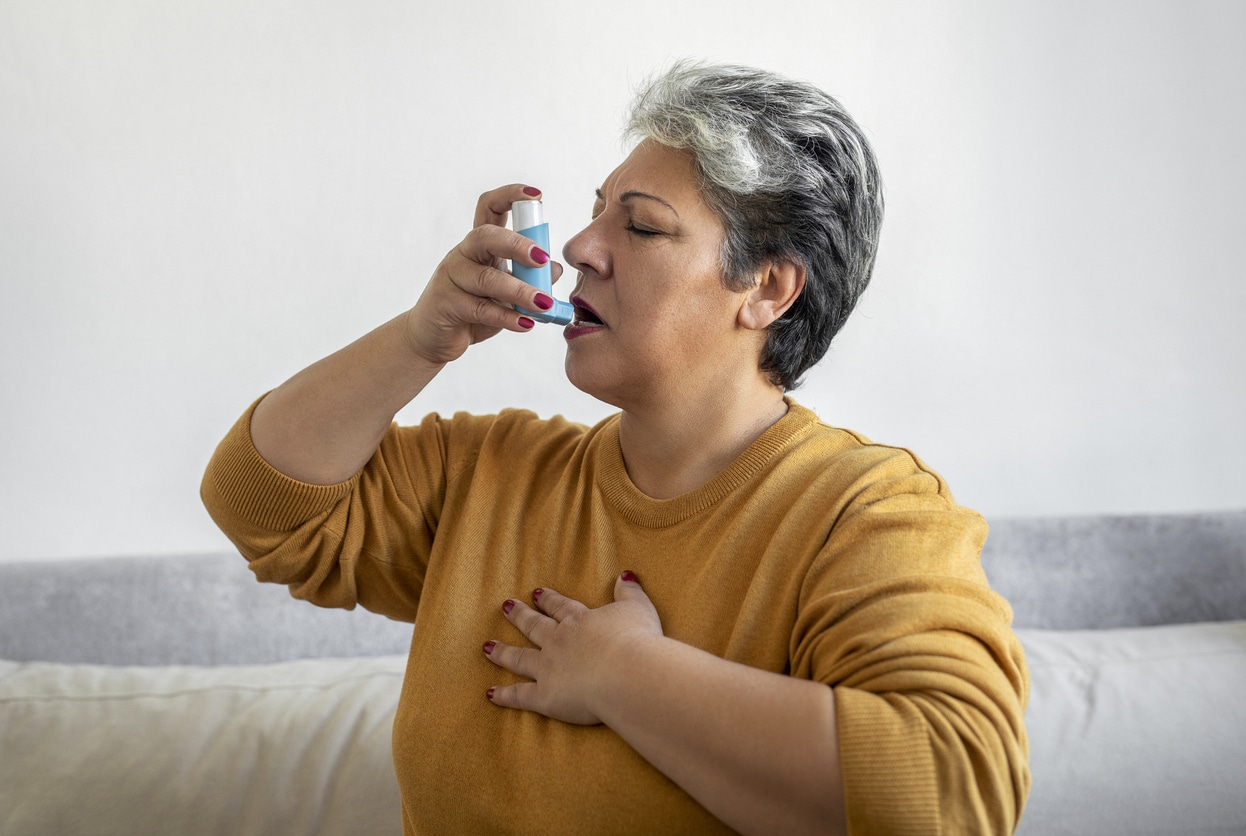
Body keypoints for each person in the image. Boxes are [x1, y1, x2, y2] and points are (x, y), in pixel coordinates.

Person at [202, 60, 1029, 835]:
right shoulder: (490, 474)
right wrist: (422, 340)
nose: (578, 249)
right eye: (599, 210)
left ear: (767, 289)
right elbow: (254, 502)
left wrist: (624, 674)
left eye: (639, 226)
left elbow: (951, 785)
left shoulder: (865, 512)